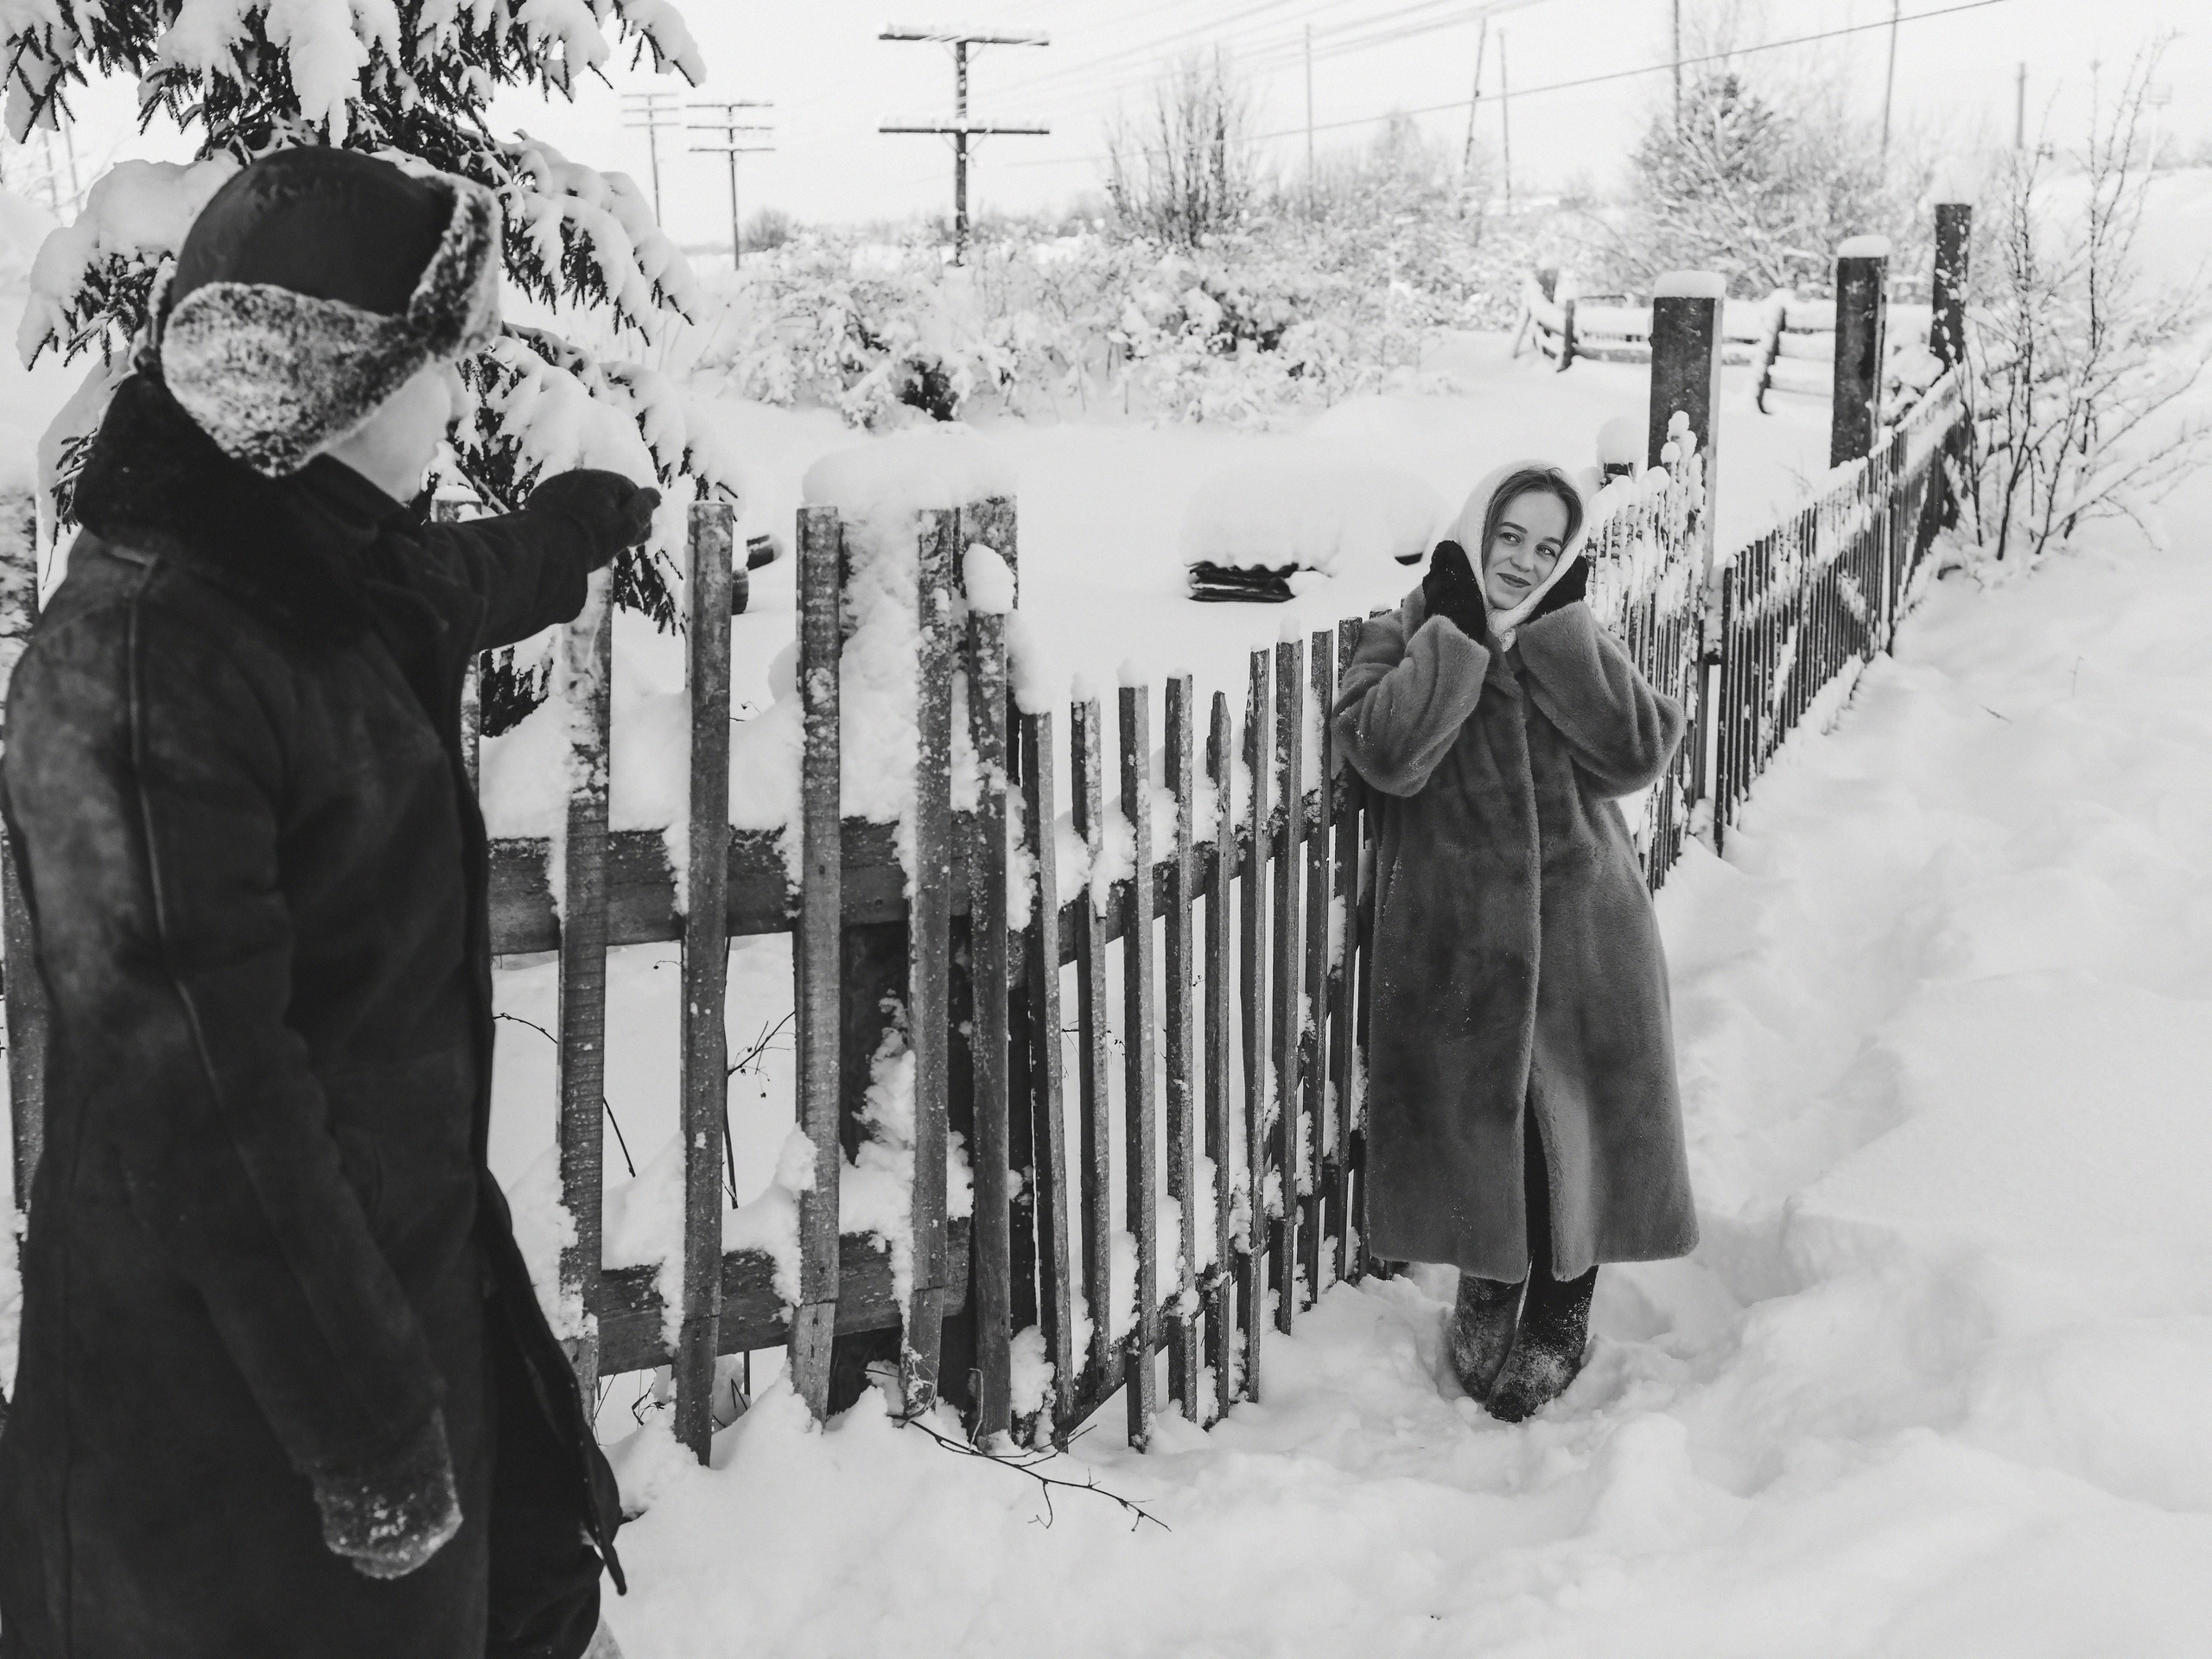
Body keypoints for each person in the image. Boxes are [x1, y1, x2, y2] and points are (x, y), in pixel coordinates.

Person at [0, 149, 658, 1659]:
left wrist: (584, 521)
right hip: (230, 1409)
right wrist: (369, 1438)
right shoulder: (139, 668)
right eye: (428, 368)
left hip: (395, 1290)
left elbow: (471, 579)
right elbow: (209, 1115)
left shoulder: (319, 568)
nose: (453, 401)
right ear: (327, 387)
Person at [1333, 461, 1697, 1423]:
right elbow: (1385, 754)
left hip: (1587, 931)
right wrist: (1452, 633)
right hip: (1459, 943)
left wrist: (1559, 635)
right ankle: (1490, 1287)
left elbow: (1635, 751)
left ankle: (1563, 1306)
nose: (1524, 562)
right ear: (1473, 531)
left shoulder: (1564, 637)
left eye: (1548, 548)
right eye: (1510, 539)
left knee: (1569, 1128)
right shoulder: (1406, 632)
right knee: (1491, 1124)